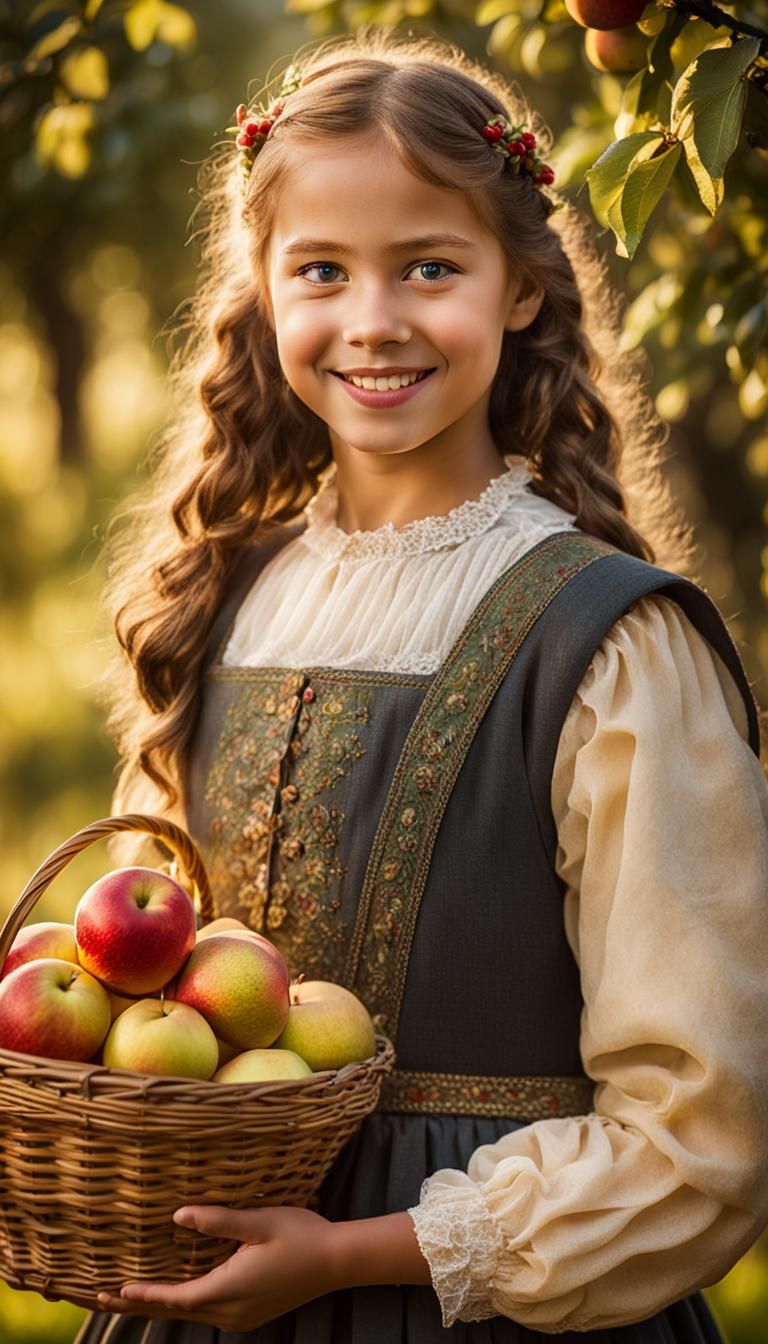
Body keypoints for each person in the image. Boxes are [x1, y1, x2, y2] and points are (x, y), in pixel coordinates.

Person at [72, 24, 768, 1344]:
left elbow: (705, 1129)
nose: (374, 321)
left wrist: (354, 1256)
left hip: (492, 1309)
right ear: (267, 290)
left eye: (430, 267)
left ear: (519, 288)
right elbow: (140, 981)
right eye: (322, 270)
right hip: (205, 1290)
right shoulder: (228, 596)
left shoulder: (609, 642)